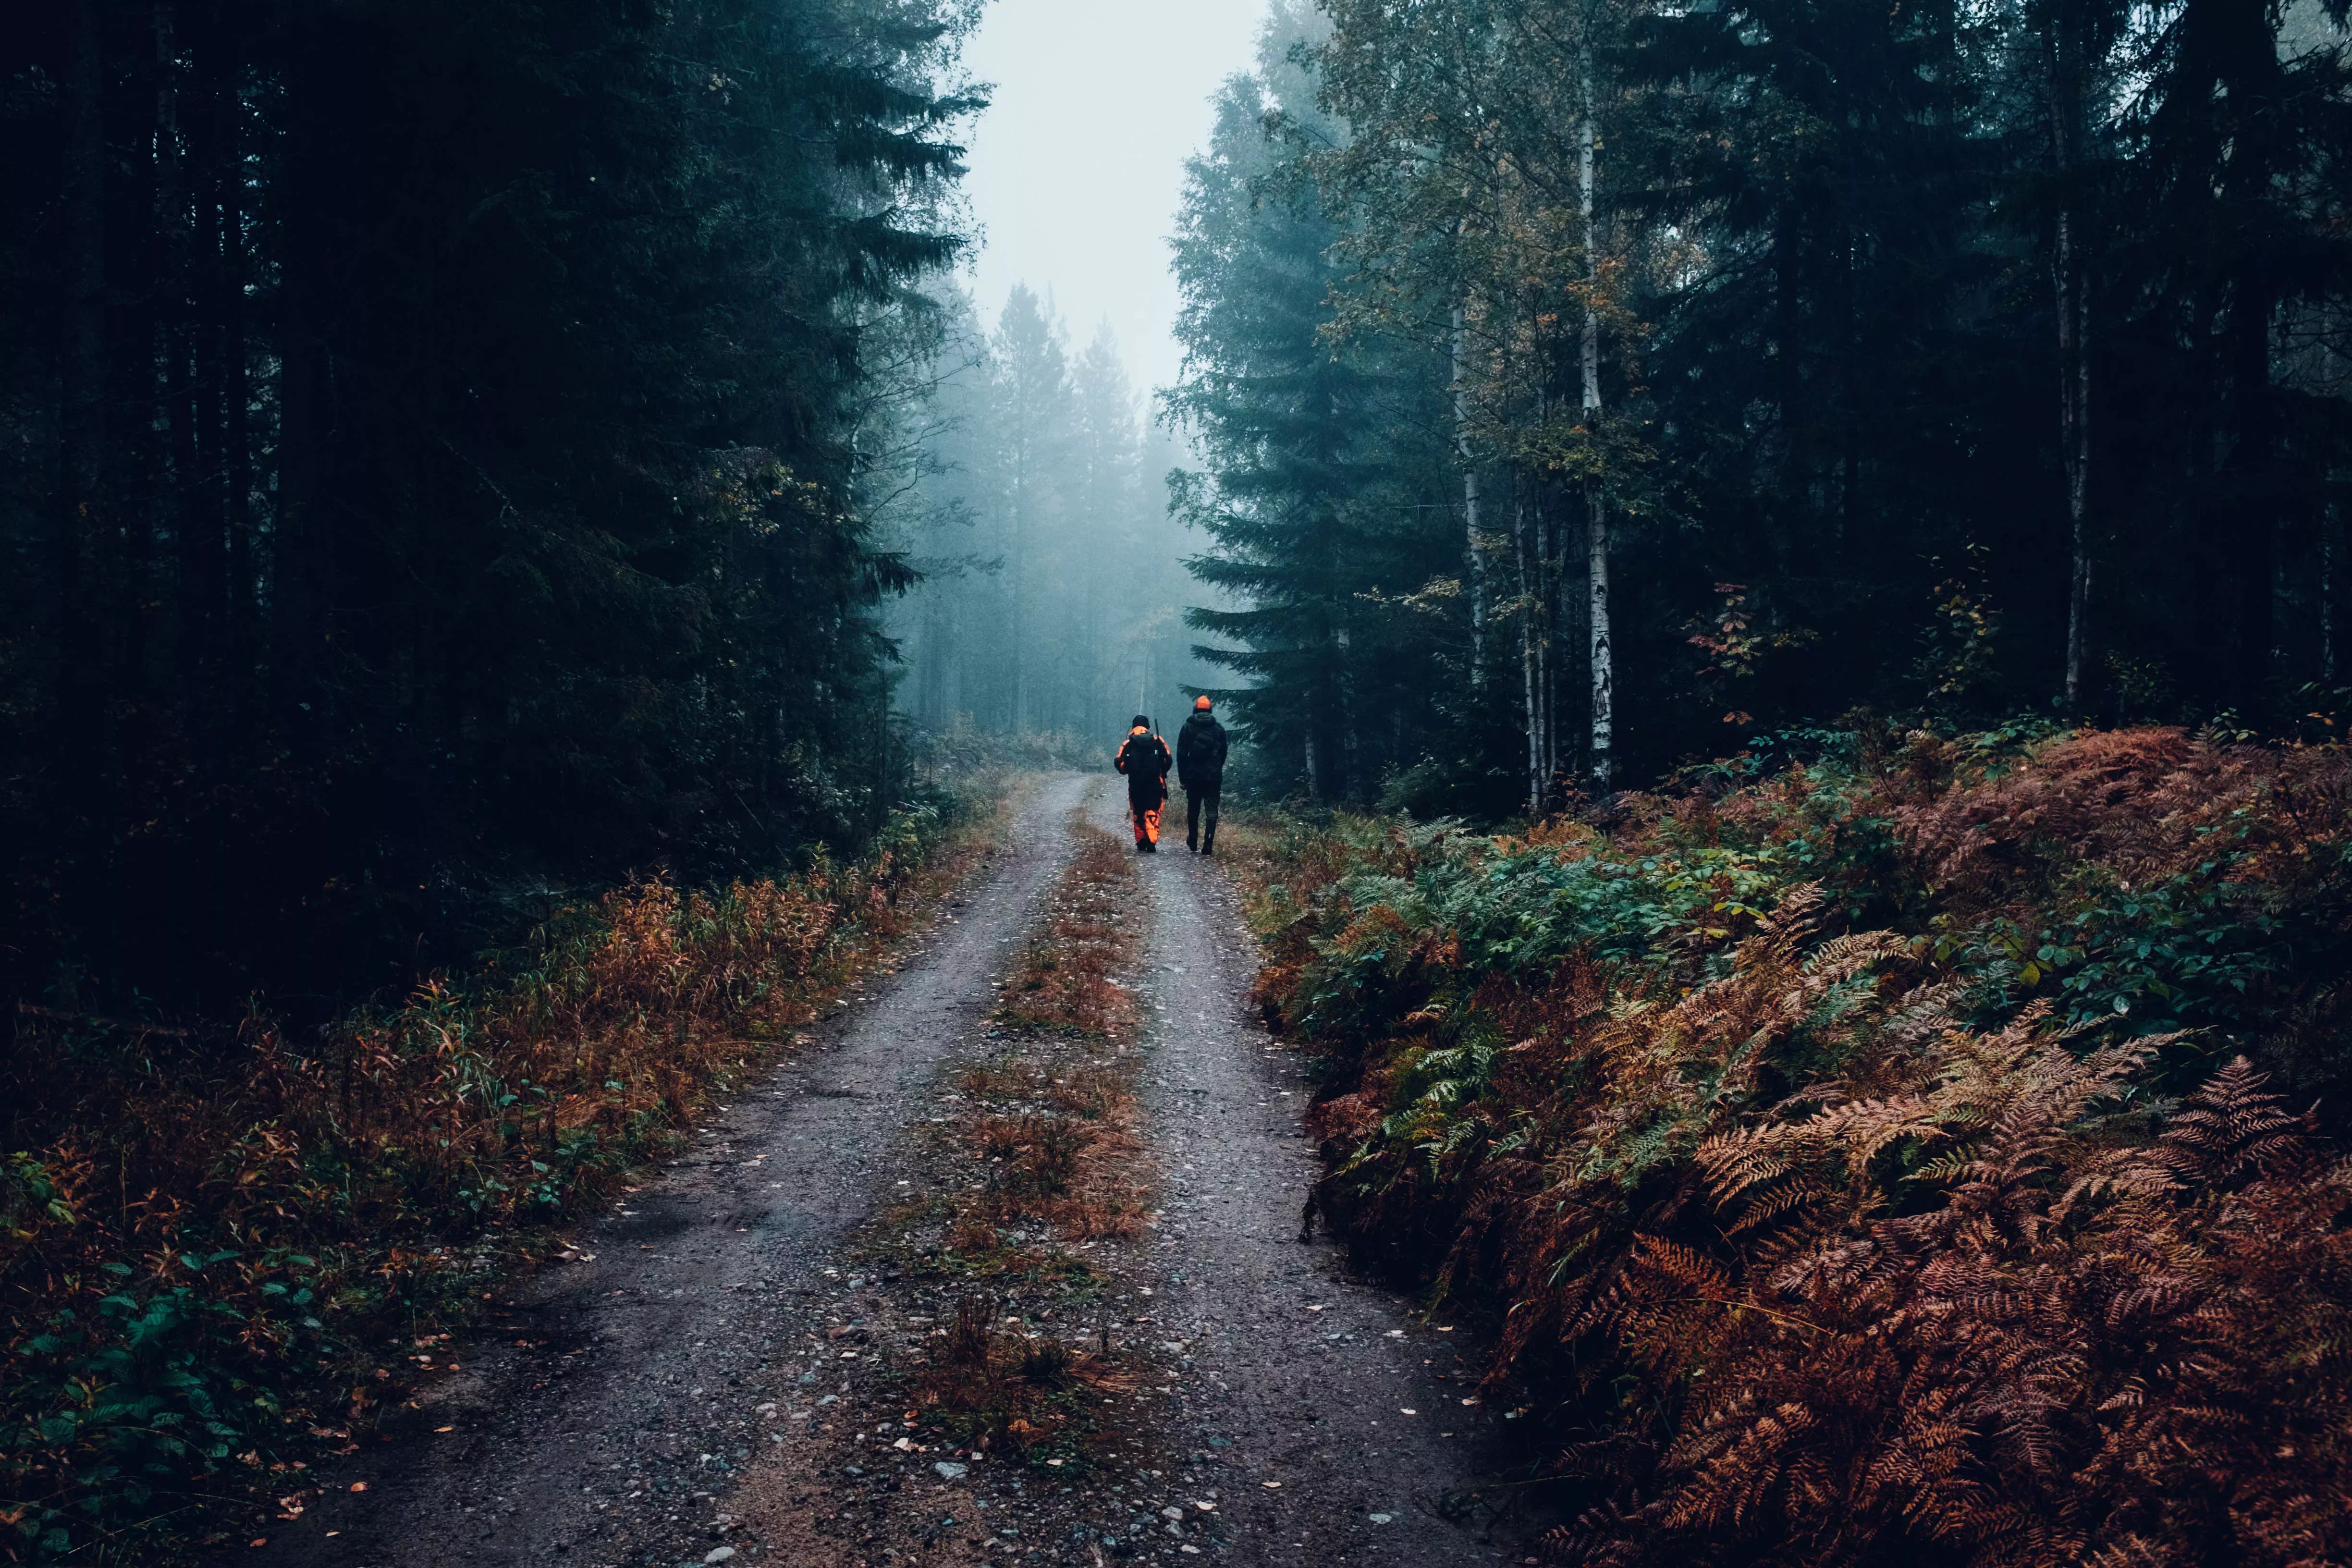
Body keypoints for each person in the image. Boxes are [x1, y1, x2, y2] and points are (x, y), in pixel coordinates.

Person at [1176, 694, 1228, 854]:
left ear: (1195, 709)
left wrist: (1183, 778)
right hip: (1213, 777)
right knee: (1212, 812)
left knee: (1193, 810)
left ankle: (1193, 840)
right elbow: (1223, 752)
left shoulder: (1188, 727)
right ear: (1210, 710)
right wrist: (1217, 768)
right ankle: (1208, 844)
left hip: (1193, 776)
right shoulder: (1218, 729)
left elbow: (1181, 754)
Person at [1114, 714, 1172, 852]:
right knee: (1153, 810)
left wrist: (1126, 770)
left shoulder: (1129, 743)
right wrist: (1162, 772)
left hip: (1136, 783)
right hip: (1155, 782)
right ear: (1148, 727)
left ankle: (1141, 842)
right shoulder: (1157, 740)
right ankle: (1152, 842)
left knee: (1139, 811)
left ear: (1134, 727)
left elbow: (1118, 762)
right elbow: (1168, 759)